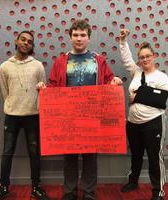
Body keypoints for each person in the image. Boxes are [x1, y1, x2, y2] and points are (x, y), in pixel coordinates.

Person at [38, 19, 122, 200]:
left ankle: (89, 193)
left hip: (93, 116)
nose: (79, 38)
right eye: (75, 35)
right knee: (69, 158)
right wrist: (44, 90)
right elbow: (53, 85)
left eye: (83, 35)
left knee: (91, 157)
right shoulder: (61, 61)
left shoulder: (99, 60)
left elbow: (108, 80)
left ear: (89, 38)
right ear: (70, 37)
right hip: (68, 117)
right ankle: (69, 193)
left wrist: (114, 82)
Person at [0, 30, 49, 200]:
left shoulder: (38, 65)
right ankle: (3, 187)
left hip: (33, 115)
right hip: (12, 115)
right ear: (16, 41)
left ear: (32, 46)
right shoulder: (4, 66)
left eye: (29, 42)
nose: (26, 43)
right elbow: (5, 92)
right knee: (7, 151)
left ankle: (36, 187)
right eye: (23, 39)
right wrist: (13, 105)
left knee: (34, 152)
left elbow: (42, 90)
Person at [119, 29, 168, 200]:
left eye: (147, 56)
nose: (144, 59)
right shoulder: (136, 72)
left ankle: (158, 191)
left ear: (154, 56)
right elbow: (127, 59)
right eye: (141, 57)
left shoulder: (162, 77)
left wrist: (137, 95)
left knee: (155, 158)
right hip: (133, 123)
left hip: (153, 122)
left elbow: (160, 100)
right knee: (135, 155)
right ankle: (133, 182)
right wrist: (123, 41)